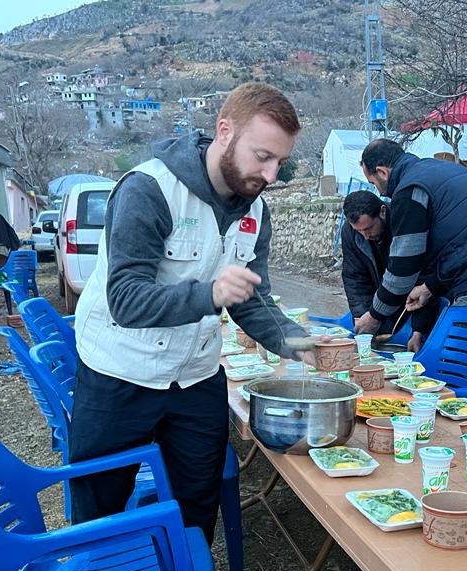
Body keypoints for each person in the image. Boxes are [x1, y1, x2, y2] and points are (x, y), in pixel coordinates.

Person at [69, 83, 310, 544]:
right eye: (263, 156)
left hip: (196, 376)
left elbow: (251, 296)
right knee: (100, 505)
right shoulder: (149, 189)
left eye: (280, 161)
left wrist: (300, 343)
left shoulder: (255, 211)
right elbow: (126, 299)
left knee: (198, 502)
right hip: (119, 373)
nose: (272, 173)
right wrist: (210, 294)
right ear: (224, 132)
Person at [352, 139, 467, 394]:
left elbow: (402, 271)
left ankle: (455, 433)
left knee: (454, 377)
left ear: (383, 172)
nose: (381, 193)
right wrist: (430, 287)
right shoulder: (441, 171)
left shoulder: (409, 190)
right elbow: (459, 244)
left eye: (375, 183)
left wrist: (374, 316)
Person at [340, 190, 439, 351]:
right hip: (379, 305)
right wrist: (362, 315)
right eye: (359, 231)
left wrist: (418, 330)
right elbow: (355, 278)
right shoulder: (351, 232)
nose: (365, 236)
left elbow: (424, 278)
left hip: (415, 303)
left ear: (383, 212)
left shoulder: (406, 224)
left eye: (369, 228)